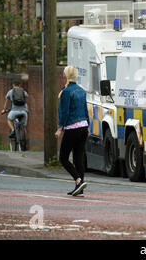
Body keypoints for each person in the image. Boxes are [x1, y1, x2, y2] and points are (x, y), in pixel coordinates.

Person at [55, 66, 90, 196]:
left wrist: (59, 128)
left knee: (63, 157)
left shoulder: (66, 92)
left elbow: (65, 112)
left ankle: (78, 180)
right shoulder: (81, 91)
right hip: (83, 126)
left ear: (65, 76)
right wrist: (88, 127)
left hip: (72, 127)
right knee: (78, 158)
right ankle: (79, 188)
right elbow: (85, 110)